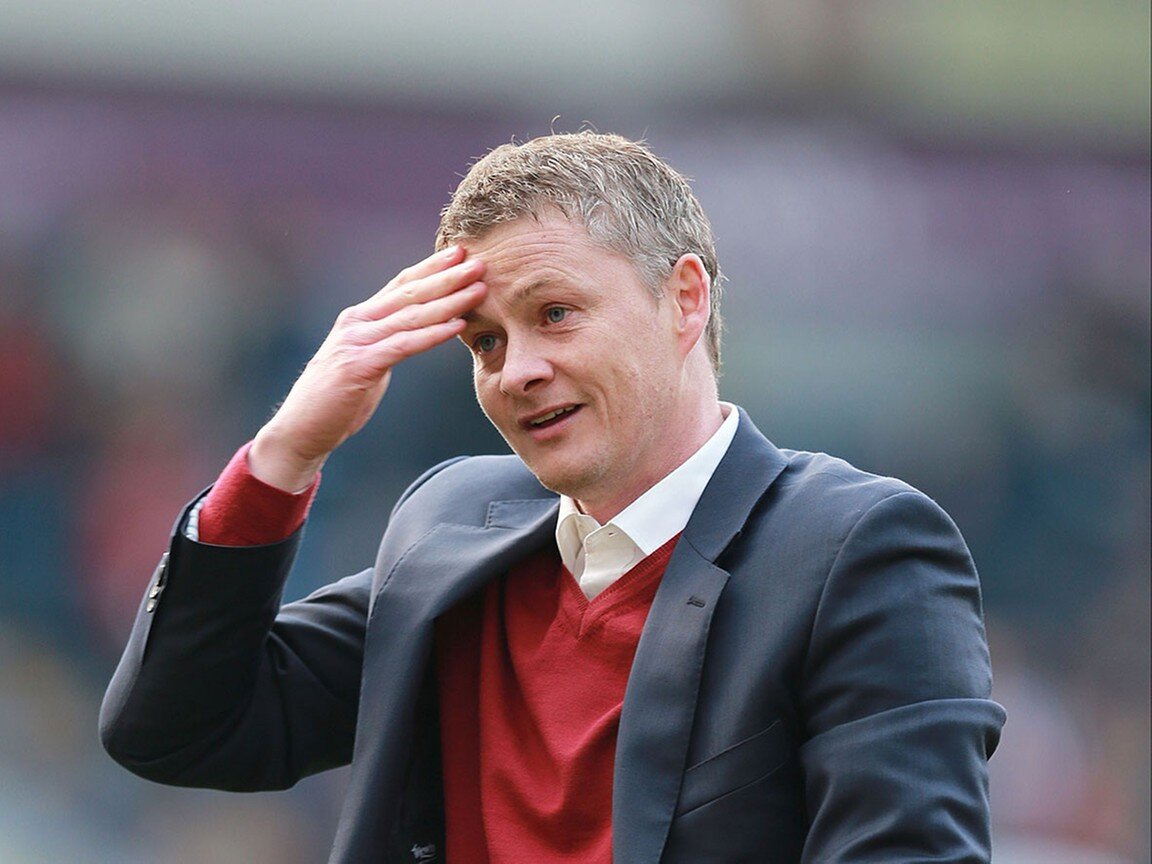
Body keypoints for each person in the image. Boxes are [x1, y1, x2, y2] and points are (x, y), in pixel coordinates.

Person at [101, 132, 1005, 863]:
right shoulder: (452, 526)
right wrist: (284, 456)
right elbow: (176, 730)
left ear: (685, 299)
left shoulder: (854, 547)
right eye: (485, 342)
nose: (517, 371)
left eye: (556, 314)